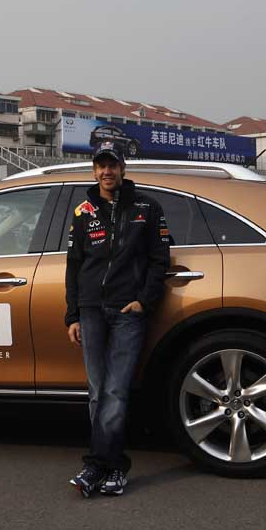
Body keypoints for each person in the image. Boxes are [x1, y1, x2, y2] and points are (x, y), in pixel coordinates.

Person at [65, 141, 171, 497]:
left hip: (128, 311)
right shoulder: (82, 212)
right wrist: (73, 314)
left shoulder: (147, 208)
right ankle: (109, 466)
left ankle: (99, 465)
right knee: (97, 393)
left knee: (115, 390)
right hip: (92, 310)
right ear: (94, 170)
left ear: (123, 168)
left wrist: (144, 301)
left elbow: (160, 260)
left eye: (112, 165)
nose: (107, 171)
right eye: (101, 165)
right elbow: (74, 266)